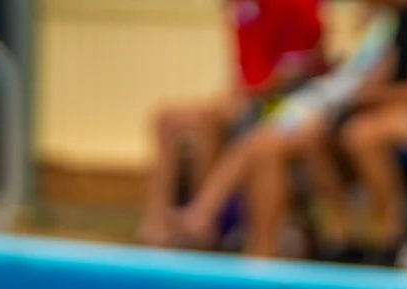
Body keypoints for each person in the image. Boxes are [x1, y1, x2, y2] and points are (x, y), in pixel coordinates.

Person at [173, 0, 407, 262]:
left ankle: (391, 236)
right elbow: (370, 80)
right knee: (278, 145)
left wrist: (361, 98)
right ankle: (314, 241)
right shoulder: (394, 23)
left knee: (361, 135)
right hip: (363, 110)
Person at [137, 0, 326, 246]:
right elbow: (245, 66)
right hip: (251, 96)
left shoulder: (298, 7)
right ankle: (158, 224)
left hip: (286, 101)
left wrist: (251, 93)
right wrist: (238, 95)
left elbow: (302, 69)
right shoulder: (243, 8)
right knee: (167, 119)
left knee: (227, 128)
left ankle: (203, 219)